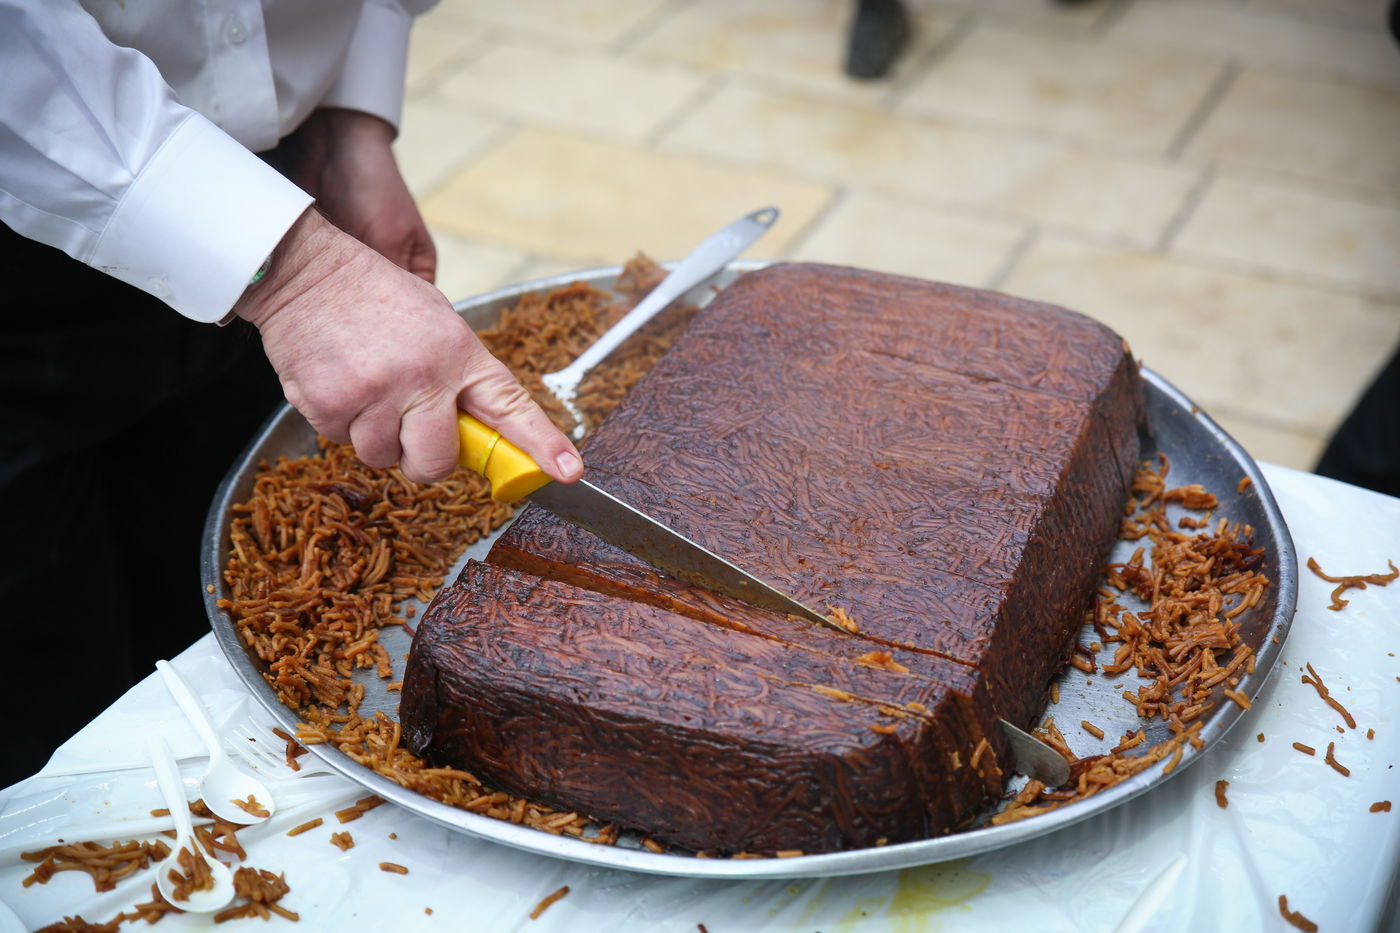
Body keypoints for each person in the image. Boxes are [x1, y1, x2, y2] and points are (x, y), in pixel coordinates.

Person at [0, 1, 581, 788]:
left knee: (221, 627)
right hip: (32, 230)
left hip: (268, 204)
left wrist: (352, 122)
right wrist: (305, 274)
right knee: (47, 702)